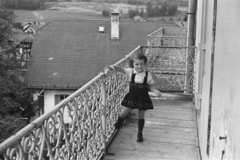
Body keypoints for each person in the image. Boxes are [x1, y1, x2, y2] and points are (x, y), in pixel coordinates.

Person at [106, 52, 162, 142]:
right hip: (132, 97)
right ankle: (117, 124)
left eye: (141, 64)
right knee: (124, 113)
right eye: (137, 64)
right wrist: (112, 67)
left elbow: (150, 86)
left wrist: (155, 91)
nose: (139, 66)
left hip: (143, 98)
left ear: (145, 64)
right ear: (133, 64)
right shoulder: (130, 71)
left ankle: (140, 133)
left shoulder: (148, 75)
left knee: (141, 115)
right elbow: (120, 69)